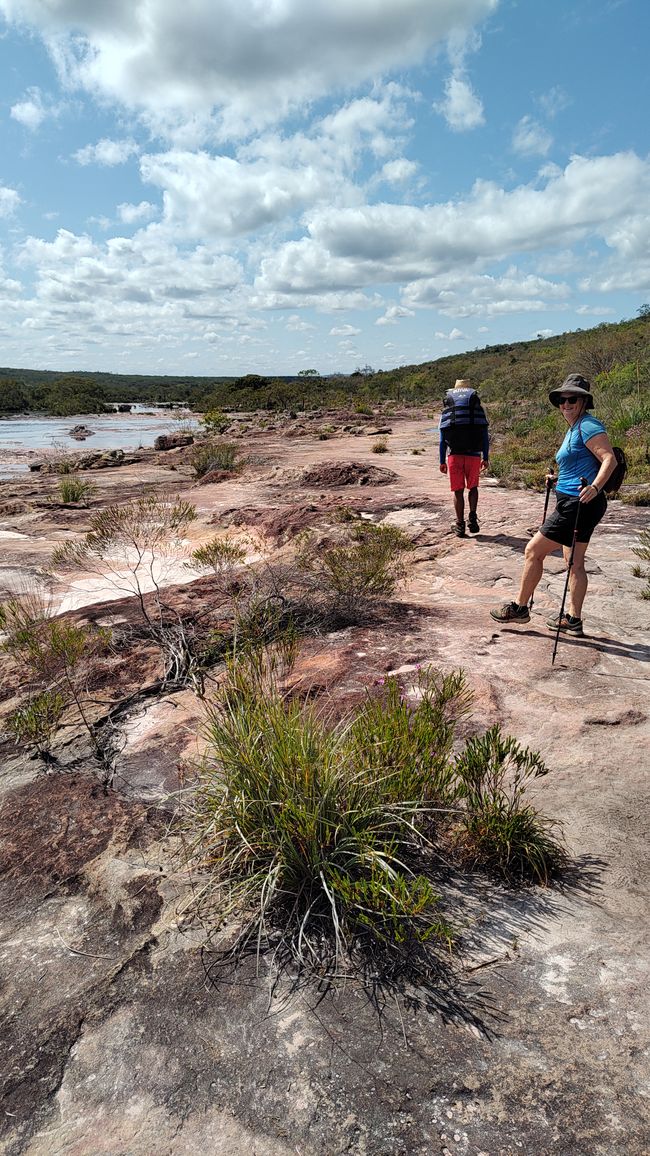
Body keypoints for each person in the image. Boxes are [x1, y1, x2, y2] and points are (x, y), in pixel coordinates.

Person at [490, 373, 616, 636]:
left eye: (572, 399)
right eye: (562, 400)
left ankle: (520, 608)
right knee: (574, 563)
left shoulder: (589, 426)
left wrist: (594, 487)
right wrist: (558, 479)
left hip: (577, 504)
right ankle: (573, 619)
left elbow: (609, 460)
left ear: (583, 402)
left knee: (533, 551)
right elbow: (582, 463)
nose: (566, 404)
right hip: (577, 501)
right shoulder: (575, 427)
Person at [439, 379, 490, 537]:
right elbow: (485, 437)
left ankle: (460, 525)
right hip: (474, 456)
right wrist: (485, 457)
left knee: (457, 491)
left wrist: (442, 461)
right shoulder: (478, 410)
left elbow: (442, 441)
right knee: (473, 488)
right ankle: (472, 517)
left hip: (454, 455)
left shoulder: (448, 412)